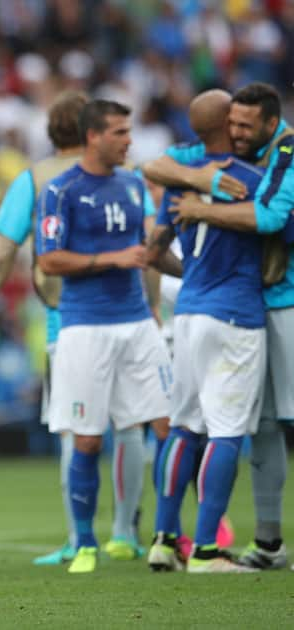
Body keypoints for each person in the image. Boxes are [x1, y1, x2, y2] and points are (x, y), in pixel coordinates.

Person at [0, 91, 156, 565]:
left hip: (66, 319)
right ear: (93, 130)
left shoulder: (35, 180)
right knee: (130, 425)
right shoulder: (127, 180)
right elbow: (147, 252)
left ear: (52, 131)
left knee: (77, 430)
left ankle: (79, 537)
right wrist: (150, 308)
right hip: (131, 317)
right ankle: (127, 531)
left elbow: (3, 254)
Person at [144, 82, 294, 571]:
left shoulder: (185, 179)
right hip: (236, 314)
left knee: (185, 427)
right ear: (225, 123)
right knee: (229, 431)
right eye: (234, 121)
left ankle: (165, 540)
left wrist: (192, 269)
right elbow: (271, 220)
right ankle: (207, 549)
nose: (239, 129)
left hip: (188, 312)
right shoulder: (250, 178)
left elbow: (153, 247)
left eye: (246, 123)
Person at [35, 100, 172, 574]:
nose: (129, 140)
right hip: (85, 327)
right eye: (120, 132)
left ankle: (167, 537)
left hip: (137, 323)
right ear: (93, 136)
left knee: (168, 425)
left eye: (129, 131)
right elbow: (49, 260)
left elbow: (148, 251)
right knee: (88, 440)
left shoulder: (135, 184)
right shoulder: (61, 190)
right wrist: (110, 260)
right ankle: (86, 542)